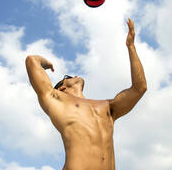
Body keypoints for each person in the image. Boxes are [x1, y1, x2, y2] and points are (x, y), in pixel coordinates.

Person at [25, 18, 147, 170]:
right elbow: (32, 60)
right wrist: (46, 63)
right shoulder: (57, 101)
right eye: (68, 77)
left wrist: (131, 46)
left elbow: (139, 88)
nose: (74, 76)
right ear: (61, 88)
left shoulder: (107, 107)